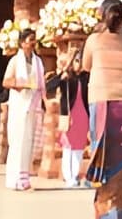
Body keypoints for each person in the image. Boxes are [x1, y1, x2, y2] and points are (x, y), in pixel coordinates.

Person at [82, 0, 122, 218]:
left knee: (103, 157)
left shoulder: (94, 40)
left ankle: (105, 210)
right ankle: (121, 211)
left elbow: (86, 66)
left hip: (102, 103)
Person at [2, 28, 45, 191]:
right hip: (19, 105)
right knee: (18, 141)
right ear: (22, 43)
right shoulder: (15, 61)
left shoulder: (38, 62)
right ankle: (14, 179)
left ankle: (24, 179)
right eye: (30, 40)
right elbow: (6, 81)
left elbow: (41, 85)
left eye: (34, 39)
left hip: (32, 105)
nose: (33, 43)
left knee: (28, 141)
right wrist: (22, 84)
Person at [46, 45, 91, 188]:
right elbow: (49, 87)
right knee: (68, 146)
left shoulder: (86, 77)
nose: (79, 64)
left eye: (81, 61)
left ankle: (75, 175)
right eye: (77, 61)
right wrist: (62, 75)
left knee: (79, 146)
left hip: (83, 114)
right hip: (69, 114)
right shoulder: (67, 77)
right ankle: (68, 176)